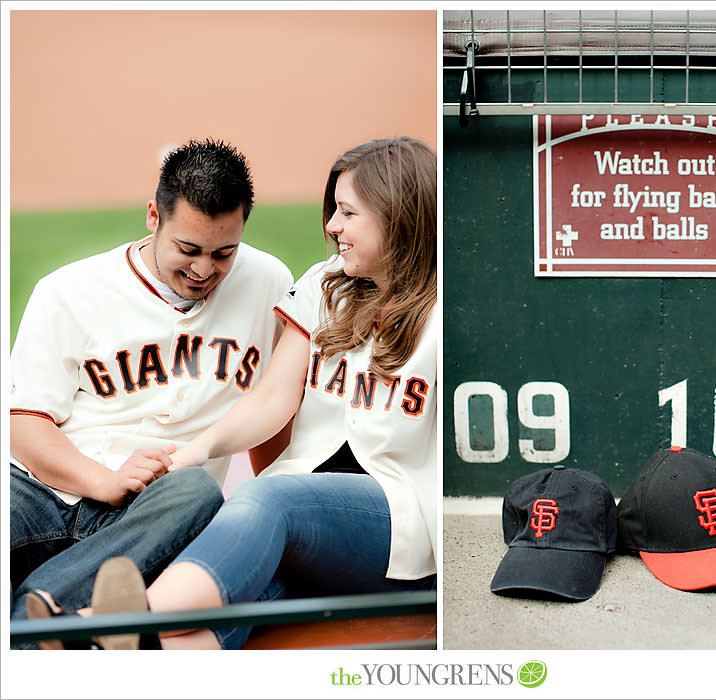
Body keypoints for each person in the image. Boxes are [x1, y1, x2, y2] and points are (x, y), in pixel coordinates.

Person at [89, 136, 437, 650]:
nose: (331, 226)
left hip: (396, 526)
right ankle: (108, 646)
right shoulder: (326, 284)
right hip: (308, 522)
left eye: (347, 212)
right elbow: (274, 398)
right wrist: (200, 449)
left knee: (268, 496)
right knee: (234, 606)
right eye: (333, 210)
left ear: (399, 216)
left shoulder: (445, 310)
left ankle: (113, 621)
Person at [10, 138, 294, 644]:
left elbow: (271, 406)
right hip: (39, 494)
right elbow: (26, 427)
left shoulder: (269, 282)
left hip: (155, 511)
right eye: (188, 249)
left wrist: (277, 502)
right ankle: (55, 622)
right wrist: (104, 480)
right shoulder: (67, 291)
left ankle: (32, 626)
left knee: (199, 490)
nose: (204, 269)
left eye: (223, 252)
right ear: (152, 216)